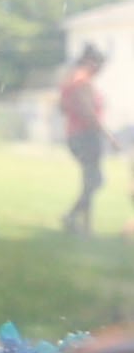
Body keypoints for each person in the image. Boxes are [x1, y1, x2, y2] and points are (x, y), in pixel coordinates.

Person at [59, 44, 113, 236]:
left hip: (79, 135)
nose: (101, 70)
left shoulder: (74, 78)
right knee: (93, 180)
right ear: (91, 62)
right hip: (85, 136)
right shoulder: (81, 80)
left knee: (91, 181)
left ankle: (83, 225)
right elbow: (88, 113)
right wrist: (110, 137)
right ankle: (76, 220)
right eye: (100, 65)